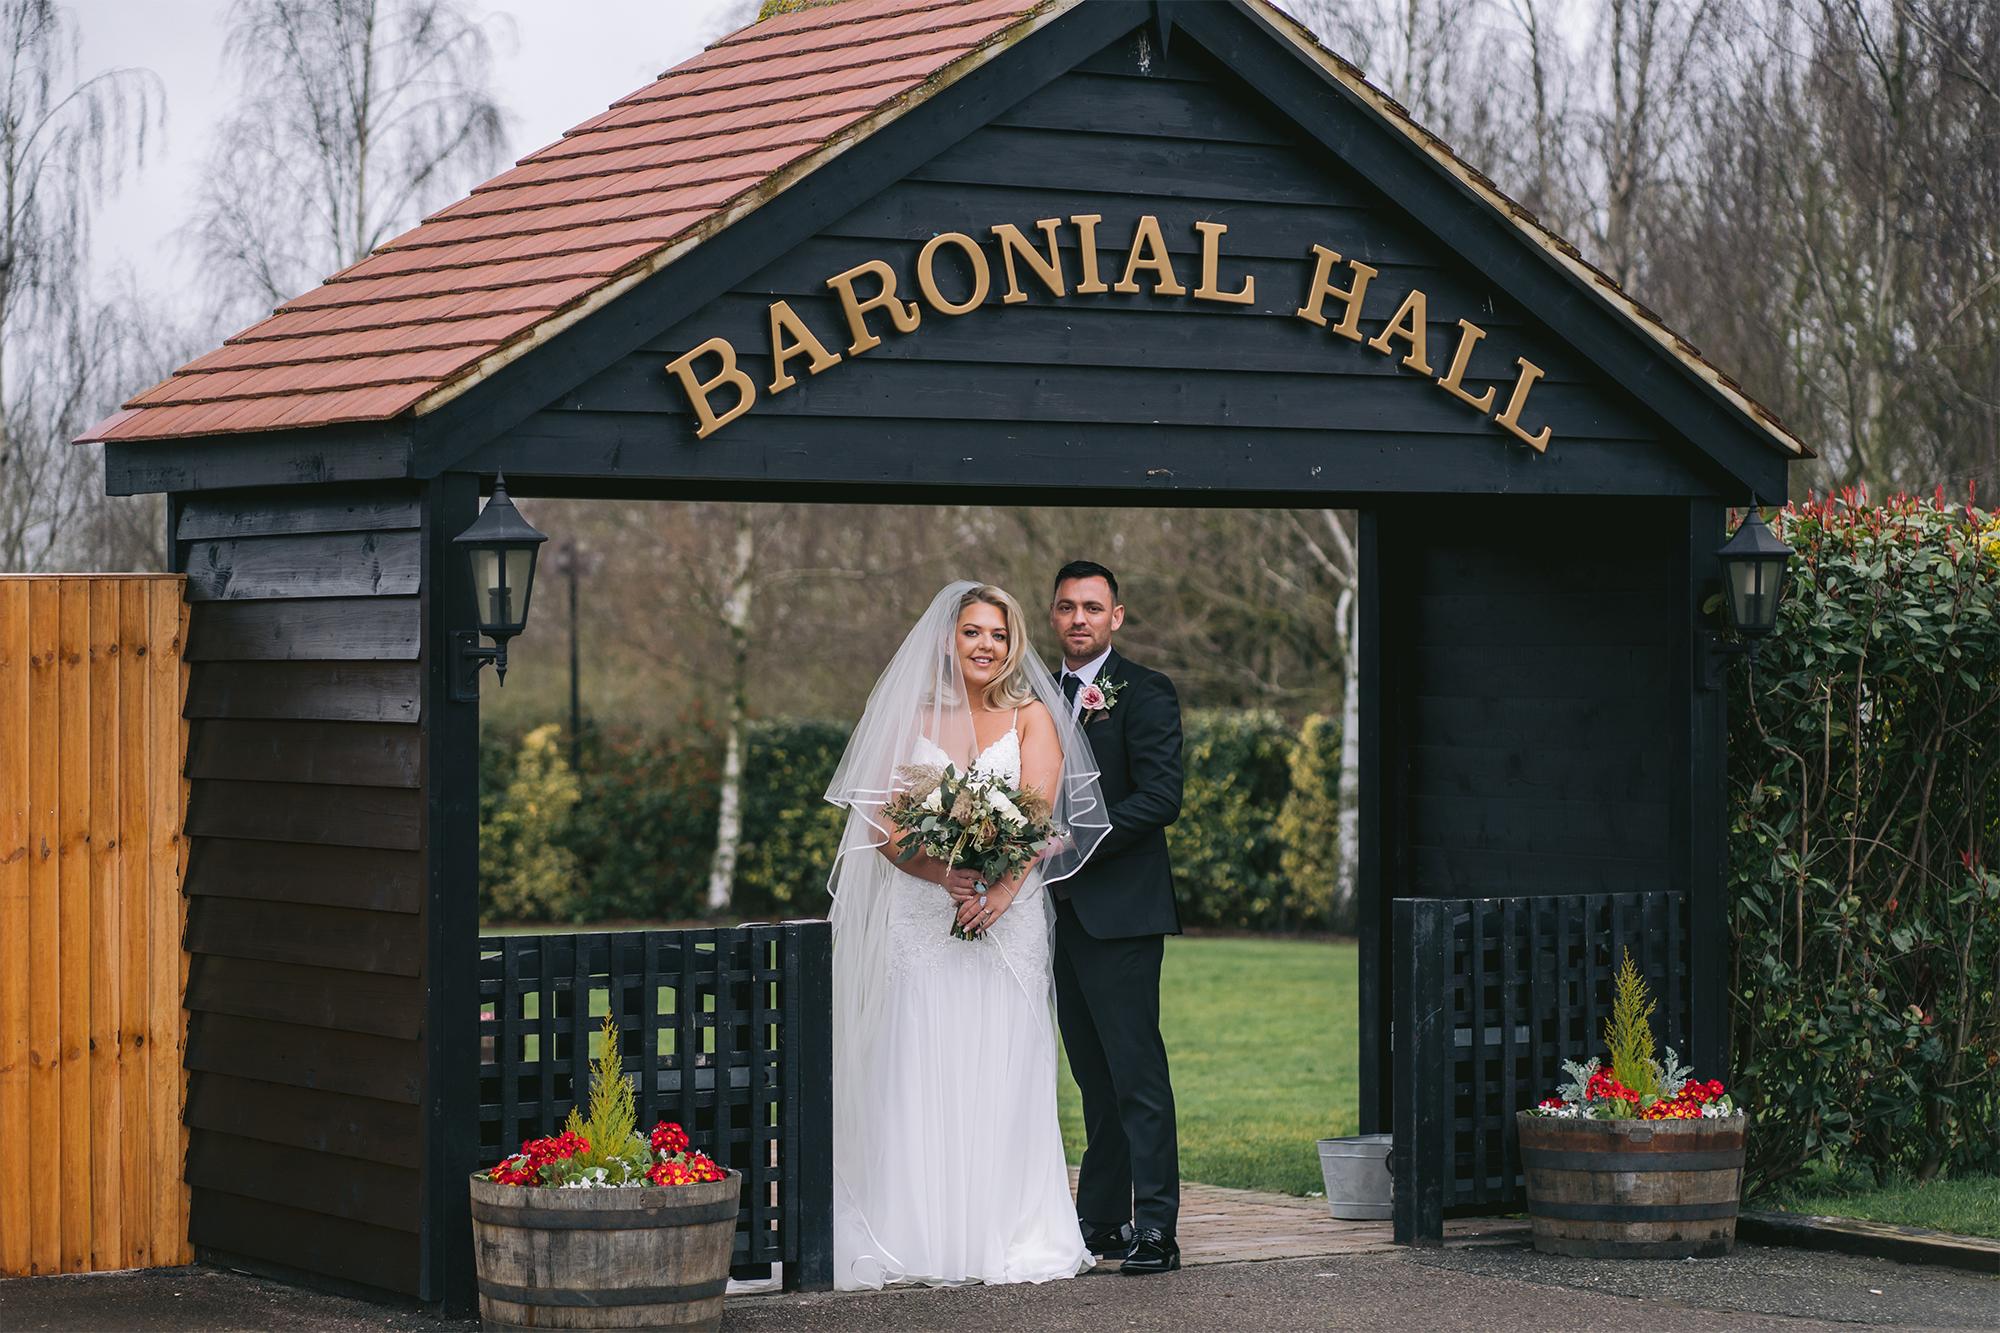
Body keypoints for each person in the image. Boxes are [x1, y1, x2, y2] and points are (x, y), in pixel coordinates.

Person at [824, 581, 1111, 1290]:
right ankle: (916, 1231)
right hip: (922, 915)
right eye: (973, 632)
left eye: (999, 634)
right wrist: (941, 873)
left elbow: (1038, 819)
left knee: (1006, 1059)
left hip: (1009, 921)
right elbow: (882, 825)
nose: (986, 645)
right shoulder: (910, 715)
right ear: (948, 640)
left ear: (1014, 644)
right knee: (918, 1055)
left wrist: (1000, 892)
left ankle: (1007, 1229)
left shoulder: (1032, 716)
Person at [1047, 560, 1185, 1275]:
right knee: (1093, 1080)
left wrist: (1076, 841)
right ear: (1052, 615)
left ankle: (1157, 1227)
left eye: (1093, 607)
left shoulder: (1145, 691)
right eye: (1068, 606)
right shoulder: (1036, 694)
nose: (1080, 618)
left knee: (1137, 1076)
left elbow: (1161, 797)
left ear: (1116, 617)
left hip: (1121, 913)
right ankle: (1101, 1218)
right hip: (1051, 915)